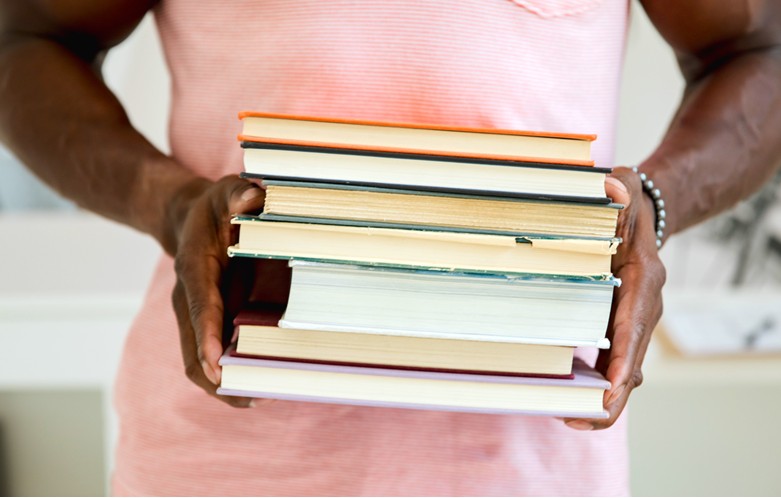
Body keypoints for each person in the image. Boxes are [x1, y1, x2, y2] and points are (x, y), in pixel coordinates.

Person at [1, 0, 780, 495]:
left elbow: (755, 51)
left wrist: (649, 201)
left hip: (529, 469)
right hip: (220, 463)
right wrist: (168, 204)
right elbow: (29, 38)